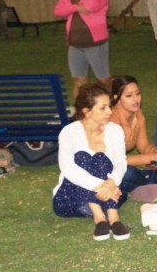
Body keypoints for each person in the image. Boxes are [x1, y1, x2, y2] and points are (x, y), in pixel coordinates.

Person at [52, 83, 130, 241]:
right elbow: (68, 169)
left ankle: (113, 218)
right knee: (81, 157)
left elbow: (121, 162)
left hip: (109, 198)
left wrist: (112, 182)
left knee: (101, 158)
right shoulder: (69, 132)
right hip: (71, 199)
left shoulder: (115, 130)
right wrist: (105, 186)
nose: (109, 111)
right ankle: (99, 218)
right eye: (103, 108)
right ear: (87, 112)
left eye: (109, 106)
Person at [53, 0, 110, 99]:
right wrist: (77, 7)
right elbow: (58, 11)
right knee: (78, 81)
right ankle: (80, 113)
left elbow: (92, 6)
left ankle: (110, 107)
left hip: (95, 43)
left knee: (103, 80)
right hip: (75, 44)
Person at [109, 75, 157, 204]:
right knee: (128, 173)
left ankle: (142, 187)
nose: (135, 99)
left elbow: (144, 146)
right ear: (117, 98)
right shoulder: (112, 121)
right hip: (108, 166)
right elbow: (115, 160)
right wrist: (152, 158)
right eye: (129, 96)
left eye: (137, 94)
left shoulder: (138, 115)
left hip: (124, 165)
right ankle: (147, 185)